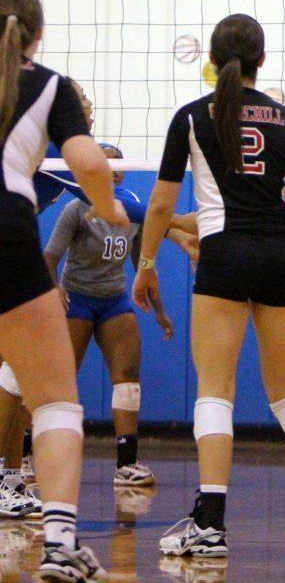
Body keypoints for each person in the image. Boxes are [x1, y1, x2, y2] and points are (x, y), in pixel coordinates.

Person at [132, 13, 285, 556]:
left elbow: (159, 204)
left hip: (224, 255)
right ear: (263, 61)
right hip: (277, 253)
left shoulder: (191, 118)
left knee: (215, 391)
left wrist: (148, 261)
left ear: (213, 60)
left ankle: (210, 524)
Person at [0, 0, 121, 581]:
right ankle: (58, 543)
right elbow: (91, 163)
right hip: (6, 229)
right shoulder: (49, 84)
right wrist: (107, 207)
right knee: (54, 402)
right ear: (37, 34)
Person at [44, 142, 180, 488]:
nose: (115, 171)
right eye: (107, 165)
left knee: (128, 375)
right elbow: (50, 257)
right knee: (60, 378)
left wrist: (160, 312)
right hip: (78, 299)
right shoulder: (76, 208)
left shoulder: (133, 210)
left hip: (114, 299)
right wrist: (55, 289)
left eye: (120, 165)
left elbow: (142, 263)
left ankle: (126, 464)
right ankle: (31, 454)